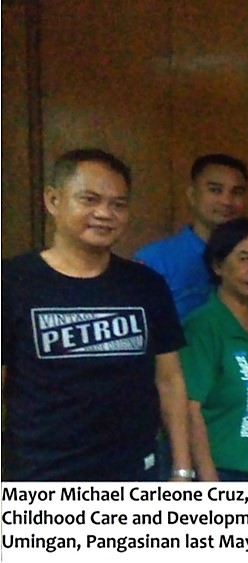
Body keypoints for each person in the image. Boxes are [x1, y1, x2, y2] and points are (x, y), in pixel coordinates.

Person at [1, 148, 192, 481]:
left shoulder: (146, 284)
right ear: (53, 200)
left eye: (118, 204)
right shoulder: (12, 282)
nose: (105, 213)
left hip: (134, 473)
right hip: (42, 475)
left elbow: (170, 381)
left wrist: (181, 468)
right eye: (89, 200)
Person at [180, 218, 248, 481]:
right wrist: (207, 476)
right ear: (218, 265)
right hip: (221, 471)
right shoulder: (203, 325)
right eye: (245, 259)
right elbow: (189, 408)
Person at [134, 154, 248, 320]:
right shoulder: (155, 260)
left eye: (237, 192)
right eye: (215, 190)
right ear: (192, 195)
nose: (227, 201)